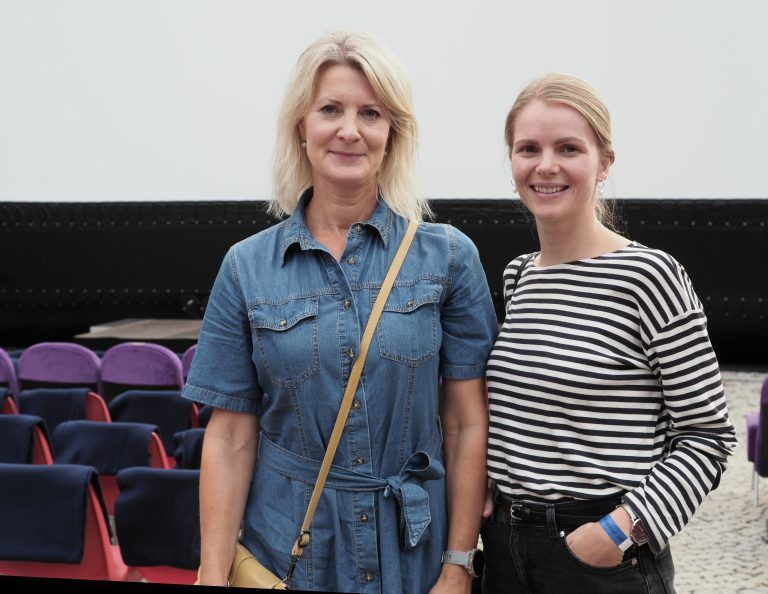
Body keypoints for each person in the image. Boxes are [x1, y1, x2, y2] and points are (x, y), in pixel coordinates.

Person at [183, 31, 498, 594]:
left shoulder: (448, 256)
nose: (349, 130)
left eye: (370, 113)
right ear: (301, 127)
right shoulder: (246, 267)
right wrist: (212, 573)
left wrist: (458, 563)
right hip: (290, 553)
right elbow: (230, 438)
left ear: (391, 134)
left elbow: (466, 422)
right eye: (331, 109)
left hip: (413, 555)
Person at [482, 73, 737, 593]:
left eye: (569, 148)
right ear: (512, 165)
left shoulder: (650, 277)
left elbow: (708, 436)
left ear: (604, 163)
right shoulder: (519, 276)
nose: (546, 165)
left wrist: (619, 530)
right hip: (505, 550)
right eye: (528, 148)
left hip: (598, 557)